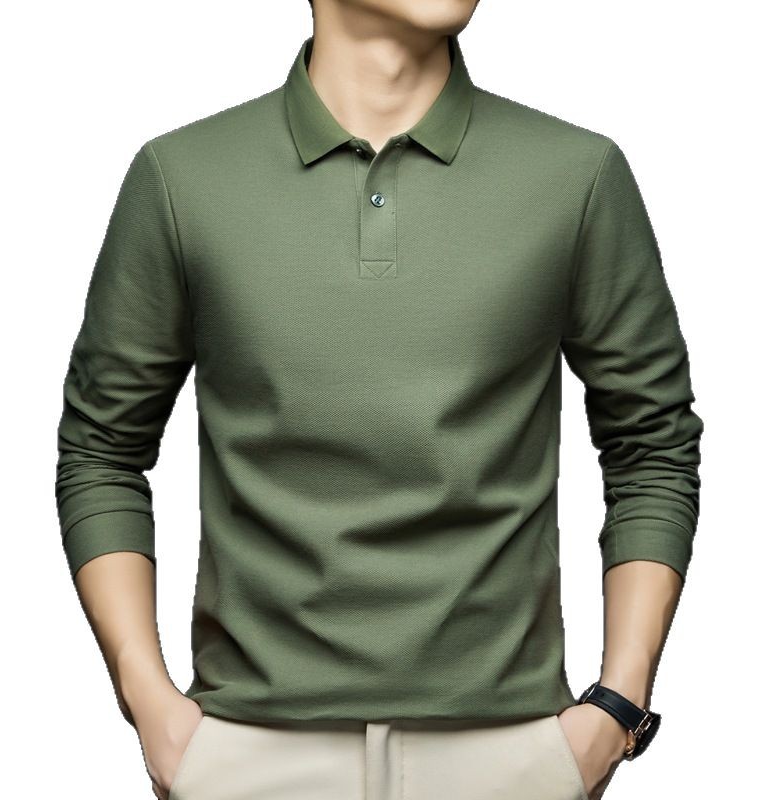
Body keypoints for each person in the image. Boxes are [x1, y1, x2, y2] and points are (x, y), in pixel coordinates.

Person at [54, 1, 704, 798]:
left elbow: (652, 444)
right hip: (248, 755)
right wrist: (149, 701)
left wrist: (617, 706)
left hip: (511, 755)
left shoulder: (577, 174)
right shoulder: (182, 177)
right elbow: (101, 450)